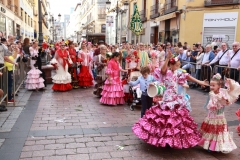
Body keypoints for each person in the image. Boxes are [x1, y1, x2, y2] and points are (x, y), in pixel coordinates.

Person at [132, 51, 208, 148]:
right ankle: (165, 139)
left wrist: (200, 82)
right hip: (168, 97)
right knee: (165, 118)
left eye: (179, 65)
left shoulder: (178, 73)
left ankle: (172, 138)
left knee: (176, 118)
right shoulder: (167, 72)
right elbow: (162, 70)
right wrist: (167, 58)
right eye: (176, 65)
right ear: (171, 65)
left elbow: (187, 77)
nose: (178, 67)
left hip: (176, 97)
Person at [198, 73, 239, 153]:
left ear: (219, 86)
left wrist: (230, 82)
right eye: (211, 85)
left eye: (213, 85)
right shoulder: (211, 94)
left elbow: (231, 90)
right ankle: (210, 145)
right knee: (211, 131)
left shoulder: (223, 92)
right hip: (211, 117)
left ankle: (217, 146)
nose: (211, 87)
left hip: (220, 117)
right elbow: (210, 105)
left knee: (218, 131)